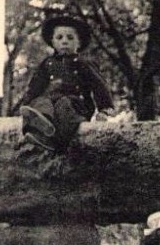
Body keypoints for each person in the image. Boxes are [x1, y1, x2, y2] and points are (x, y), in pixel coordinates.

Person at [20, 13, 113, 153]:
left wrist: (104, 109)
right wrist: (28, 103)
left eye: (70, 38)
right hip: (50, 104)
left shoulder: (83, 64)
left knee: (63, 105)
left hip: (76, 104)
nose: (64, 41)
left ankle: (55, 140)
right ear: (53, 42)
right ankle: (40, 129)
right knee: (40, 102)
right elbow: (36, 86)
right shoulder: (48, 63)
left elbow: (98, 85)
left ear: (79, 43)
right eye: (59, 37)